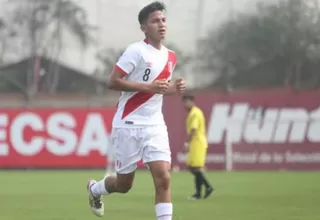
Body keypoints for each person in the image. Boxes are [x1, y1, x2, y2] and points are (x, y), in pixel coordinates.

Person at [87, 2, 186, 220]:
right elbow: (112, 82)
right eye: (155, 21)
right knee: (124, 185)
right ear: (144, 27)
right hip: (128, 124)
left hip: (155, 125)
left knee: (164, 179)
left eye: (163, 20)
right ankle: (95, 190)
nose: (161, 25)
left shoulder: (171, 56)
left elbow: (157, 91)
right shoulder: (136, 51)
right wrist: (148, 87)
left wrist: (173, 90)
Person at [182, 94, 213, 200]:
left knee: (195, 167)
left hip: (197, 143)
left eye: (186, 102)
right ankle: (202, 190)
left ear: (191, 102)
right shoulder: (193, 112)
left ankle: (204, 189)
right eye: (184, 102)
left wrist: (187, 143)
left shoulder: (195, 113)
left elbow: (194, 129)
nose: (185, 105)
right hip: (196, 143)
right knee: (192, 167)